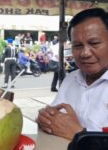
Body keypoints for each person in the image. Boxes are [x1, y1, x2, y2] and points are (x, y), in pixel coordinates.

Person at [37, 8, 108, 140]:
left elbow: (70, 130)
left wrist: (79, 135)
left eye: (94, 43)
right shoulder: (71, 79)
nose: (85, 53)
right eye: (78, 45)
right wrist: (45, 118)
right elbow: (53, 118)